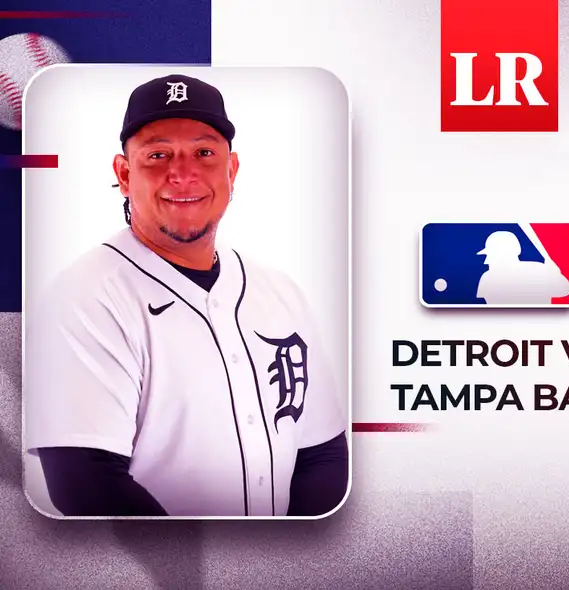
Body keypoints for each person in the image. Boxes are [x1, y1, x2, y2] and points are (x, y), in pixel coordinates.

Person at [24, 73, 349, 517]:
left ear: (231, 170)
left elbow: (322, 455)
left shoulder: (280, 292)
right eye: (158, 155)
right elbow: (86, 485)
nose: (183, 173)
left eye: (204, 152)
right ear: (124, 173)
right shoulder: (84, 297)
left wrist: (288, 564)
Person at [475, 230, 569, 304]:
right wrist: (554, 274)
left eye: (491, 255)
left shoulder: (488, 277)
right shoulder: (540, 269)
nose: (486, 261)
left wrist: (553, 275)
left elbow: (565, 291)